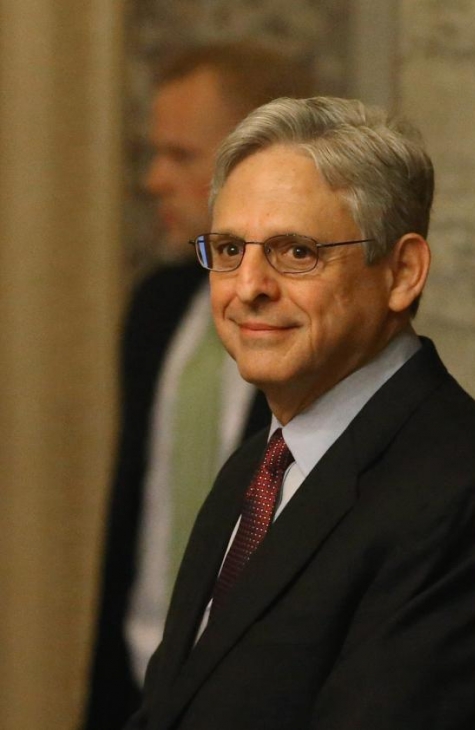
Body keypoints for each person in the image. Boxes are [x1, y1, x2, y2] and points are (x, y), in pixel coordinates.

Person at [126, 97, 475, 730]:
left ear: (402, 272)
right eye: (231, 250)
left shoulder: (458, 489)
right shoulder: (261, 463)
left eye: (296, 253)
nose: (249, 287)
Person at [84, 44, 313, 730]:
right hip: (139, 675)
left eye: (180, 156)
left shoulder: (311, 325)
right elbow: (134, 512)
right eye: (154, 154)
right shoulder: (157, 308)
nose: (154, 180)